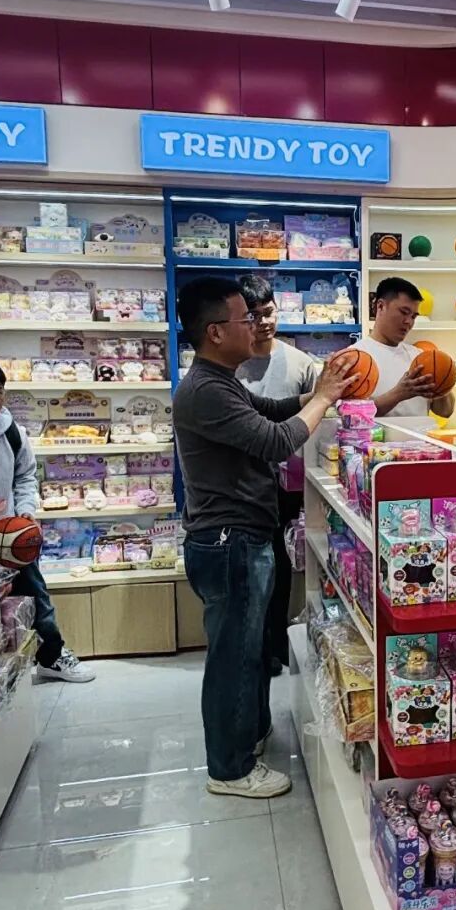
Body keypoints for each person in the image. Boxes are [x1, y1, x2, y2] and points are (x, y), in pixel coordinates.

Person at [173, 275, 355, 800]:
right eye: (244, 318)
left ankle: (247, 734)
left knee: (248, 650)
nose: (254, 325)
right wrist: (323, 398)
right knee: (233, 658)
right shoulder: (205, 390)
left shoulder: (221, 380)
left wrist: (319, 393)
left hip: (242, 536)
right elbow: (276, 441)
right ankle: (229, 770)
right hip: (229, 541)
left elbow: (269, 411)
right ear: (215, 332)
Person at [0, 356, 96, 683]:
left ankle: (52, 657)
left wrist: (26, 509)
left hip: (11, 536)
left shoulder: (11, 431)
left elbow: (25, 475)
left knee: (35, 596)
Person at [236, 274, 318, 673]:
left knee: (283, 563)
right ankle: (256, 646)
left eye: (268, 312)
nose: (264, 322)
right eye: (253, 316)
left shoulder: (301, 363)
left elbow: (317, 418)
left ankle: (277, 642)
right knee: (252, 567)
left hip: (291, 484)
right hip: (244, 484)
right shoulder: (230, 365)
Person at [351, 276, 456, 417]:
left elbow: (445, 412)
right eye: (404, 312)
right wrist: (399, 394)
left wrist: (444, 379)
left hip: (421, 432)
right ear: (380, 306)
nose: (409, 322)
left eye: (413, 316)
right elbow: (352, 415)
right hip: (376, 433)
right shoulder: (354, 357)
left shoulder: (419, 357)